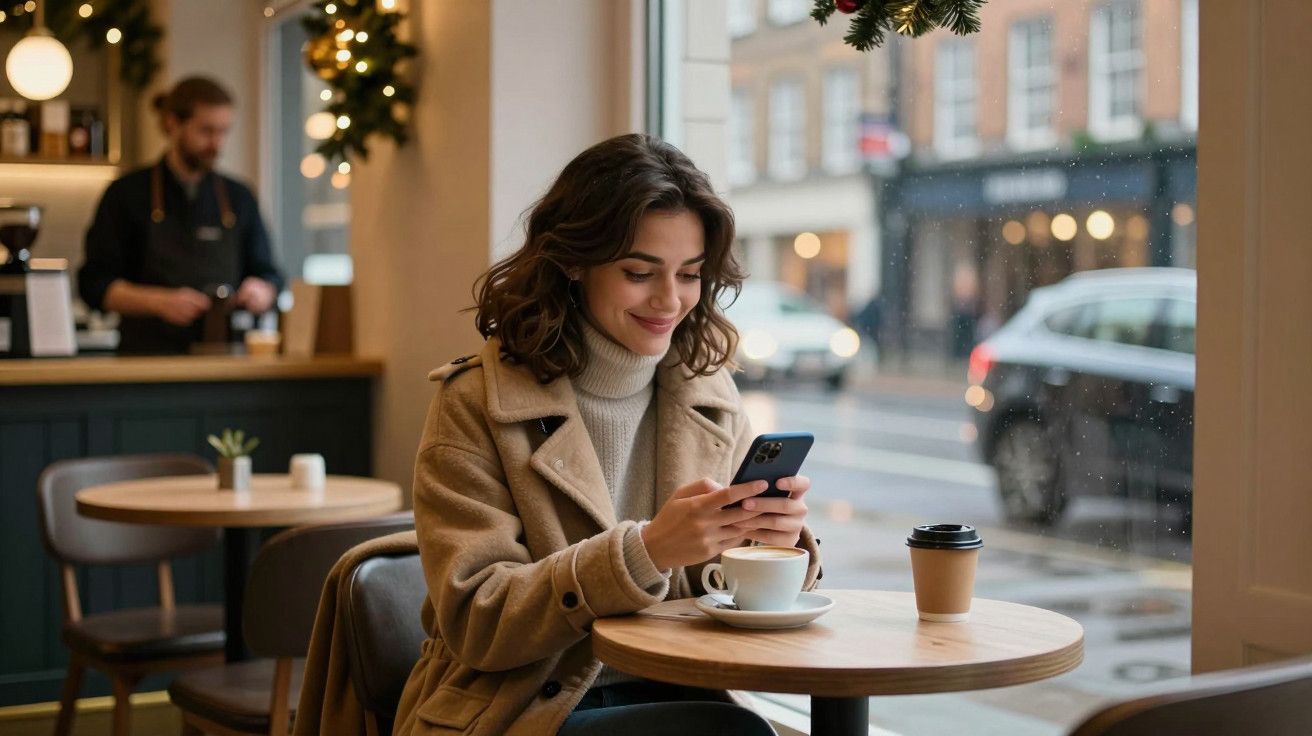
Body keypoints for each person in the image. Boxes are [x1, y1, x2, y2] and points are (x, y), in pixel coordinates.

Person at [392, 134, 821, 736]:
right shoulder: (474, 404)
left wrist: (771, 544)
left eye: (690, 274)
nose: (670, 300)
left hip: (681, 691)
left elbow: (710, 590)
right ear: (573, 260)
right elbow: (476, 623)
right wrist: (645, 551)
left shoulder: (709, 395)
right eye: (639, 272)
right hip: (516, 707)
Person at [78, 76, 283, 354]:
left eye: (223, 131)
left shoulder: (238, 197)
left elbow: (270, 274)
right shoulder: (126, 194)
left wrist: (262, 290)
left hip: (227, 360)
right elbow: (94, 286)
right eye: (206, 131)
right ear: (173, 124)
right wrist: (158, 301)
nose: (216, 143)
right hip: (148, 361)